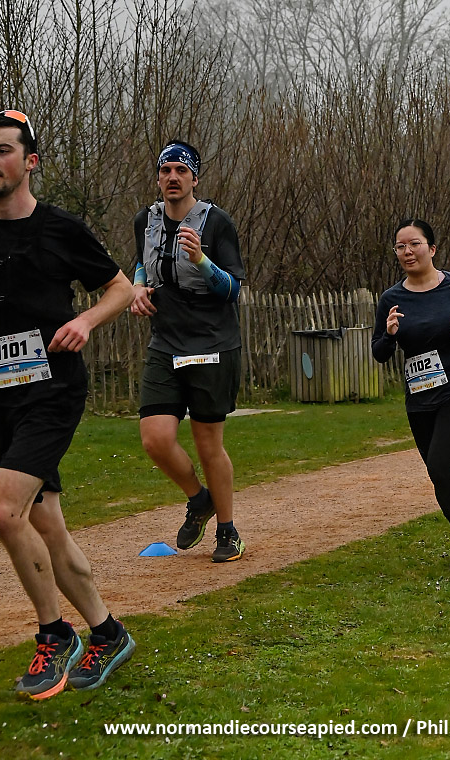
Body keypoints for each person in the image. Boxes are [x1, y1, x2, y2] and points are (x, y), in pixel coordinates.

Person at [0, 109, 136, 699]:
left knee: (2, 511)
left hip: (54, 390)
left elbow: (122, 288)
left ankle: (55, 634)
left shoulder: (61, 228)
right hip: (3, 395)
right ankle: (108, 633)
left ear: (30, 161)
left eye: (3, 151)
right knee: (46, 524)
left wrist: (86, 321)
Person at [131, 140, 246, 563]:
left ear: (195, 178)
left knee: (207, 443)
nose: (172, 177)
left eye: (181, 170)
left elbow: (232, 289)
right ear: (158, 177)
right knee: (155, 439)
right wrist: (138, 288)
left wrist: (201, 260)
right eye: (166, 170)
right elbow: (141, 263)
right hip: (165, 342)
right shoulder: (146, 220)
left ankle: (228, 531)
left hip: (212, 343)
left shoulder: (217, 223)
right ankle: (200, 499)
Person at [372, 218, 450, 569]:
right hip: (419, 397)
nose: (407, 252)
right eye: (400, 246)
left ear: (431, 248)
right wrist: (390, 335)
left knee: (442, 465)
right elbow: (379, 353)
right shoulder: (391, 299)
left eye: (414, 244)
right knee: (436, 469)